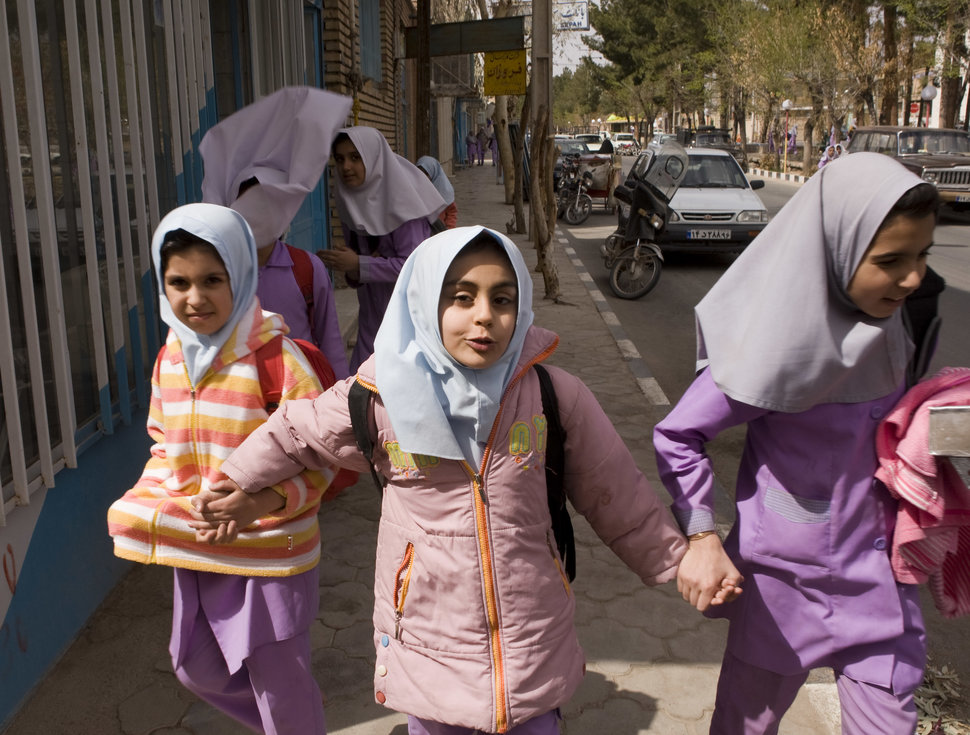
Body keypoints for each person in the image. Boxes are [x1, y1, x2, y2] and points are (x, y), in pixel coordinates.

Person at [215, 226, 690, 735]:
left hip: (530, 643)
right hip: (427, 640)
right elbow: (295, 430)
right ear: (423, 302)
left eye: (502, 299)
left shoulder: (554, 396)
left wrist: (677, 560)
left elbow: (614, 489)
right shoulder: (377, 398)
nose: (485, 315)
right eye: (461, 297)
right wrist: (238, 481)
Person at [653, 152, 941, 734]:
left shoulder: (907, 323)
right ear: (834, 252)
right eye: (890, 261)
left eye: (921, 256)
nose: (912, 279)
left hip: (882, 584)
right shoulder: (772, 347)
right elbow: (679, 435)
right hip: (781, 590)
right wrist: (702, 536)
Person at [106, 203, 334, 734]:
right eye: (178, 282)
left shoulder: (277, 359)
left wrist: (260, 500)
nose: (195, 297)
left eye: (213, 279)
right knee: (195, 667)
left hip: (272, 554)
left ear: (242, 274)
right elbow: (163, 445)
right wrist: (147, 508)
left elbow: (325, 456)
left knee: (281, 684)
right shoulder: (171, 358)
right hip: (201, 547)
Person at [199, 86, 353, 380]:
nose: (258, 216)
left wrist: (340, 400)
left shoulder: (307, 269)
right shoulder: (218, 273)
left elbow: (331, 342)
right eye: (250, 202)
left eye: (269, 203)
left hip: (301, 399)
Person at [319, 126, 446, 372]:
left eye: (355, 157)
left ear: (373, 158)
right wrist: (349, 265)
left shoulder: (402, 204)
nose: (346, 167)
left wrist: (359, 264)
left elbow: (414, 266)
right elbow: (360, 265)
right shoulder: (349, 200)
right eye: (340, 159)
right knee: (363, 388)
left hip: (410, 318)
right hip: (372, 316)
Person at [416, 155, 458, 229]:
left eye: (426, 173)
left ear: (433, 172)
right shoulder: (414, 189)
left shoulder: (445, 191)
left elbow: (451, 212)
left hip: (440, 231)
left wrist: (449, 229)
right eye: (420, 173)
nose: (423, 176)